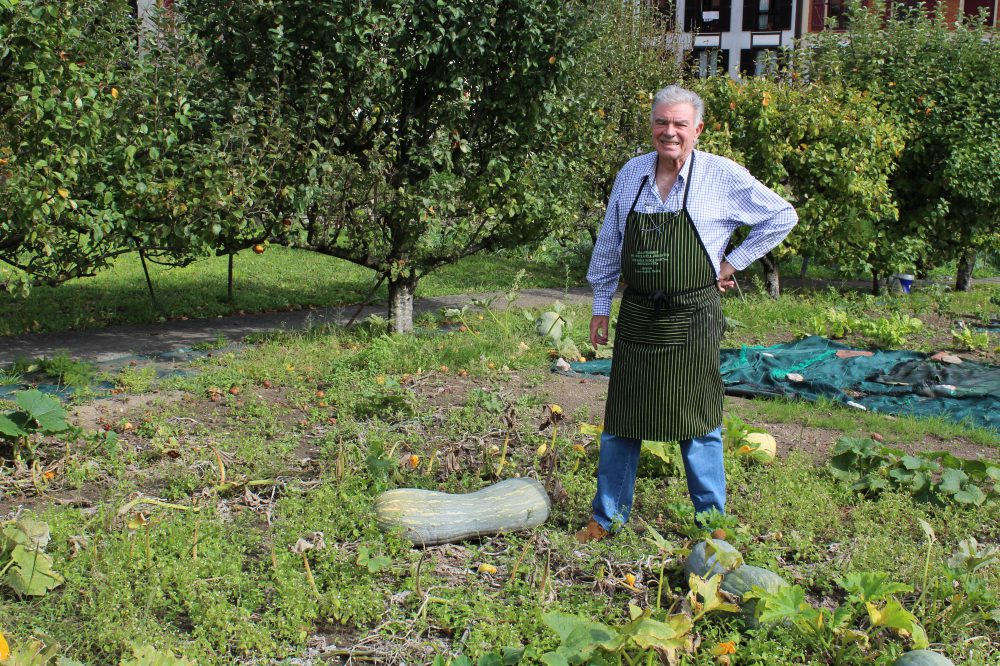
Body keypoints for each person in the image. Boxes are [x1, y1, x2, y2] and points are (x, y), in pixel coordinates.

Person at [575, 85, 797, 543]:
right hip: (638, 313)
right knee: (622, 421)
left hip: (694, 314)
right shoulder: (632, 174)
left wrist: (732, 262)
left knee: (698, 421)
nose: (669, 132)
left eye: (680, 124)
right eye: (661, 122)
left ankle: (711, 524)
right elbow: (611, 240)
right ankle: (607, 518)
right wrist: (601, 304)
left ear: (697, 129)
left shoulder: (720, 175)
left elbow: (782, 216)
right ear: (651, 126)